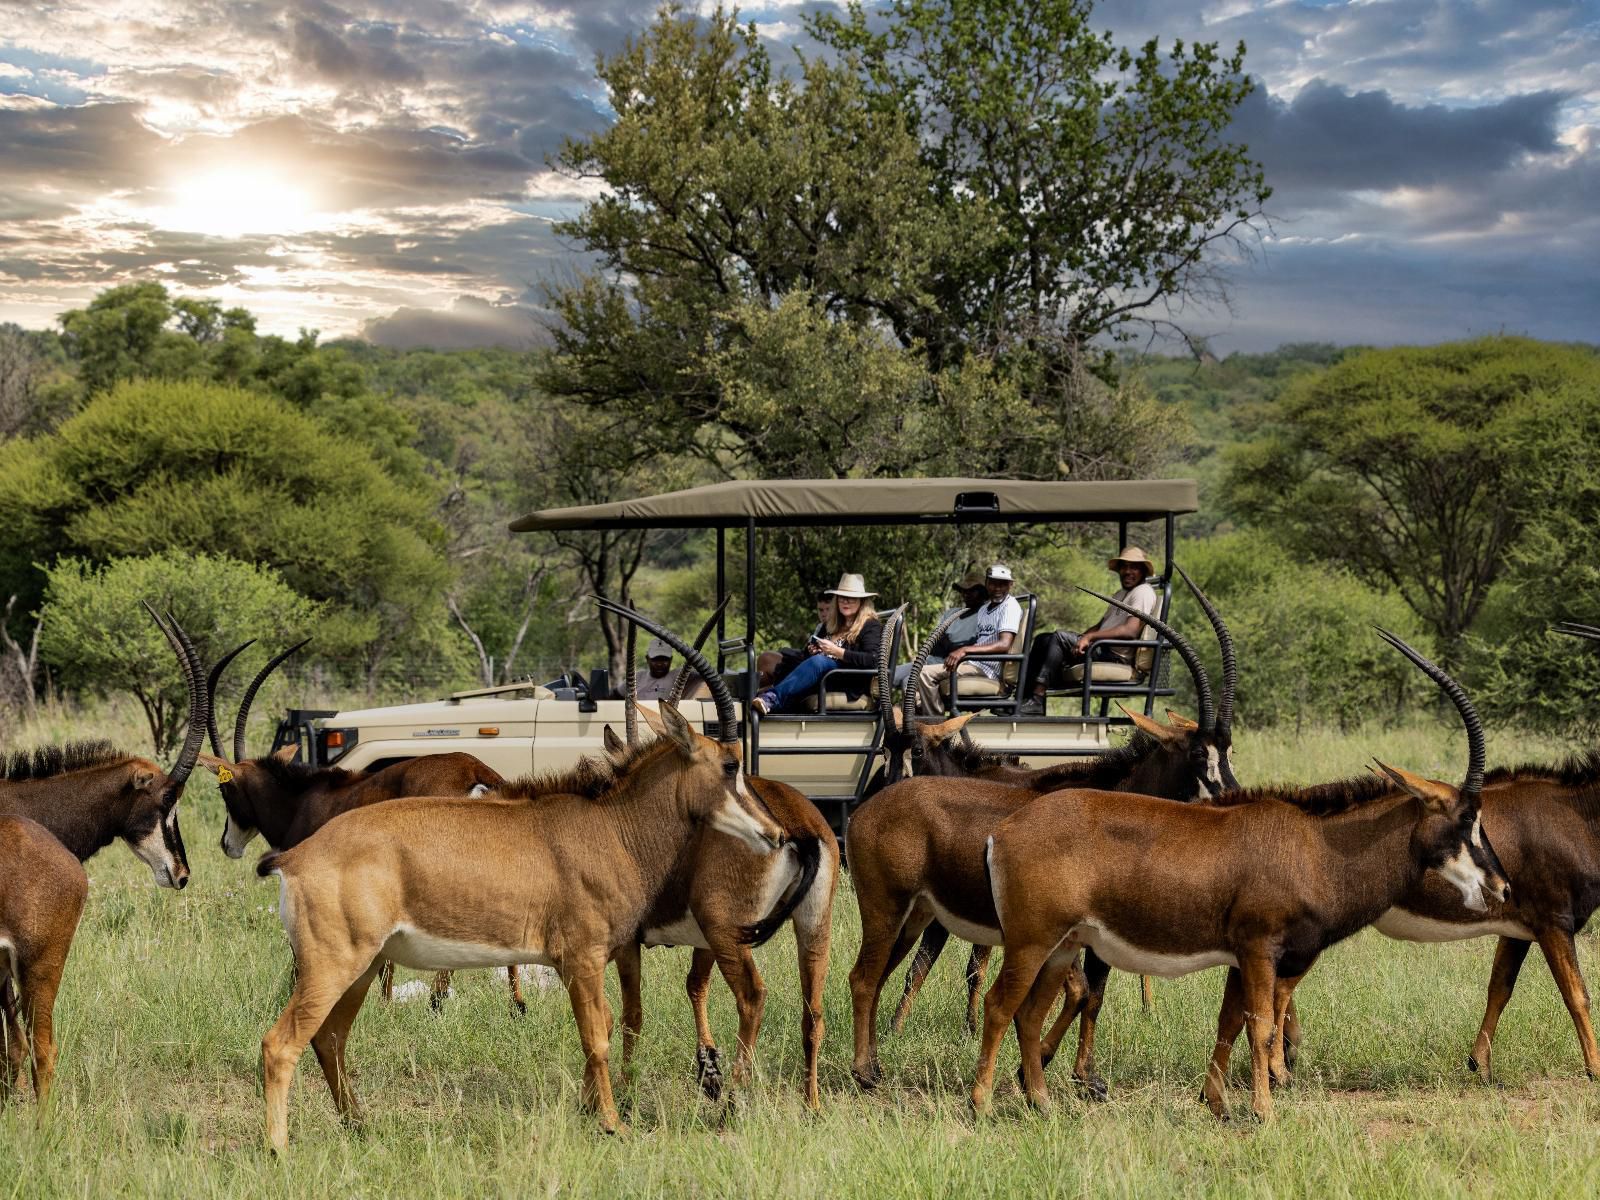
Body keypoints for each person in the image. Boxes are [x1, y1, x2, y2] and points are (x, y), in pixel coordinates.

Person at [1017, 546, 1160, 715]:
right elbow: (1100, 625)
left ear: (1143, 570)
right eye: (1124, 567)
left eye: (1134, 567)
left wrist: (1090, 637)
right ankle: (1024, 699)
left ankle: (1037, 699)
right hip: (1100, 648)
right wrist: (1082, 638)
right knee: (1043, 639)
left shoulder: (1143, 592)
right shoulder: (1121, 594)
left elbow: (1130, 631)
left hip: (1115, 655)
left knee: (1059, 637)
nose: (1128, 571)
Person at [753, 573, 883, 715]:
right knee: (768, 658)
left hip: (844, 677)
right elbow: (809, 652)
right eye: (842, 597)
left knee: (819, 662)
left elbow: (873, 659)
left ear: (861, 602)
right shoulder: (830, 623)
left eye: (851, 598)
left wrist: (837, 651)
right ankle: (748, 696)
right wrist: (812, 649)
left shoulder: (870, 625)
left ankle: (773, 698)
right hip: (816, 671)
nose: (846, 601)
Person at [914, 564, 1022, 716]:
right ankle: (932, 720)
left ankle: (935, 724)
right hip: (972, 663)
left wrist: (964, 650)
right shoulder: (985, 610)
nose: (997, 588)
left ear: (1010, 585)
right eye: (993, 583)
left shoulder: (1010, 606)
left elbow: (1004, 644)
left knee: (924, 673)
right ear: (987, 584)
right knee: (915, 683)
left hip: (988, 670)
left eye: (1002, 584)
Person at [892, 569, 988, 694]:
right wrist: (951, 645)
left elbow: (970, 647)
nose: (966, 594)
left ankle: (922, 712)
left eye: (972, 591)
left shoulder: (984, 616)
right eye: (964, 590)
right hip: (930, 661)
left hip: (951, 666)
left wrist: (949, 644)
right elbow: (934, 644)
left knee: (908, 682)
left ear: (982, 593)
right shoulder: (951, 613)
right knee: (888, 675)